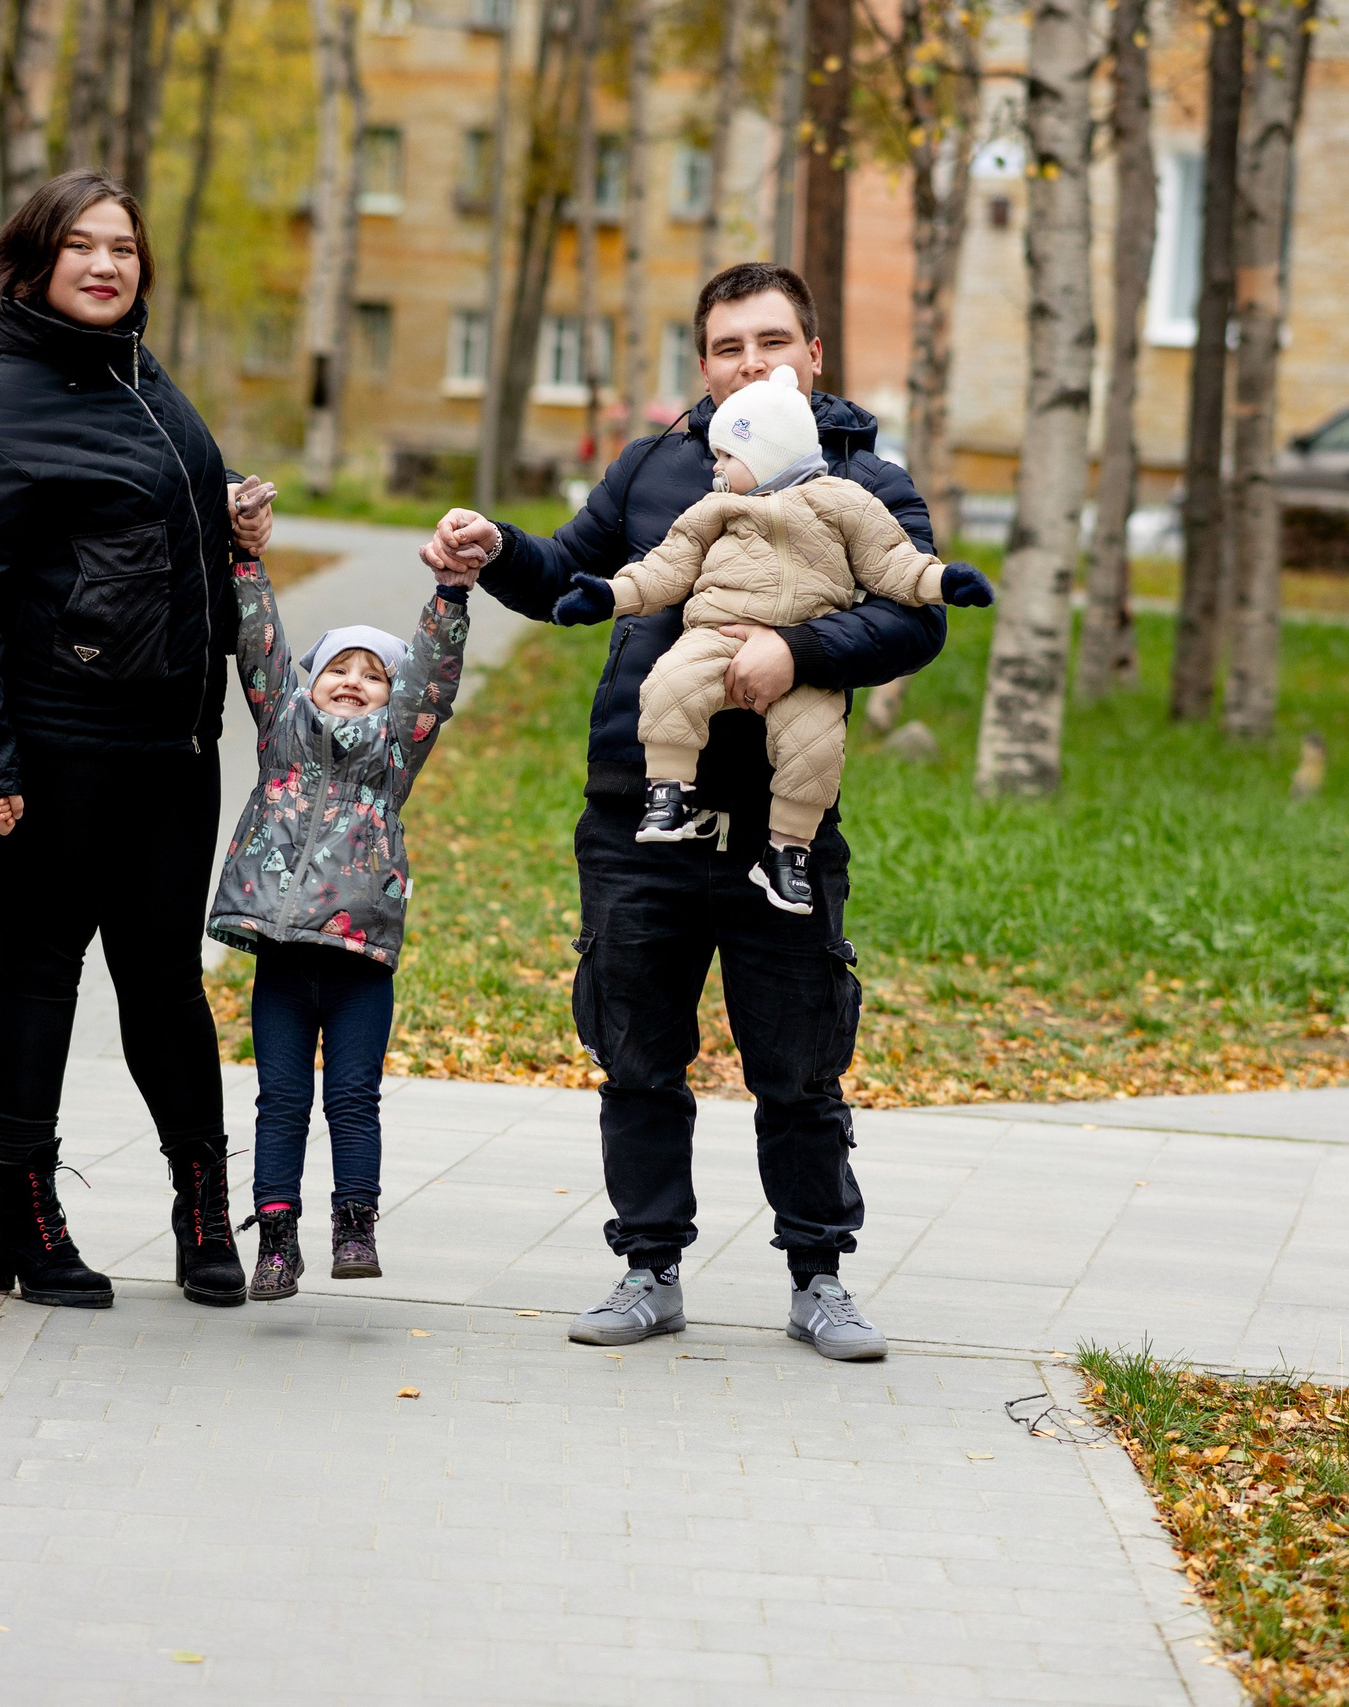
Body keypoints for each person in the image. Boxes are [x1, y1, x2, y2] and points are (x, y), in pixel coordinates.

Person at [422, 262, 950, 1362]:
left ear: (815, 355)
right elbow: (572, 572)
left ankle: (819, 1278)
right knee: (636, 1054)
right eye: (726, 348)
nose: (749, 363)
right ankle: (648, 1267)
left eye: (770, 342)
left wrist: (793, 649)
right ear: (702, 365)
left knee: (799, 1066)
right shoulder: (661, 465)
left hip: (778, 827)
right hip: (637, 810)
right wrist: (495, 552)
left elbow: (915, 619)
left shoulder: (865, 480)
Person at [0, 170, 274, 1311]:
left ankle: (199, 1207)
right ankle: (23, 1214)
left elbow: (115, 536)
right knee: (40, 970)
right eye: (82, 246)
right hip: (56, 744)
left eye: (123, 248)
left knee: (166, 984)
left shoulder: (139, 375)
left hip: (171, 742)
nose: (108, 265)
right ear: (32, 261)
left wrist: (219, 528)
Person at [549, 364, 992, 913]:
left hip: (807, 653)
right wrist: (609, 596)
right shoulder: (715, 509)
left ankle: (788, 851)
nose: (716, 466)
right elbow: (665, 569)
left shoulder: (845, 502)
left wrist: (942, 582)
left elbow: (890, 562)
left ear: (766, 455)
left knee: (816, 744)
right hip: (716, 629)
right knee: (670, 680)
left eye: (728, 456)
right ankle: (668, 794)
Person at [205, 556, 472, 1299]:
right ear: (310, 680)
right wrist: (247, 561)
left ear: (394, 696)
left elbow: (434, 675)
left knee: (353, 1097)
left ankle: (355, 1223)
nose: (353, 680)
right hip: (283, 959)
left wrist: (450, 594)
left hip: (360, 961)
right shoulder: (282, 730)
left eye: (374, 673)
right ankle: (278, 1239)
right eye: (338, 667)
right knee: (280, 1098)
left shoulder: (395, 748)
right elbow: (259, 645)